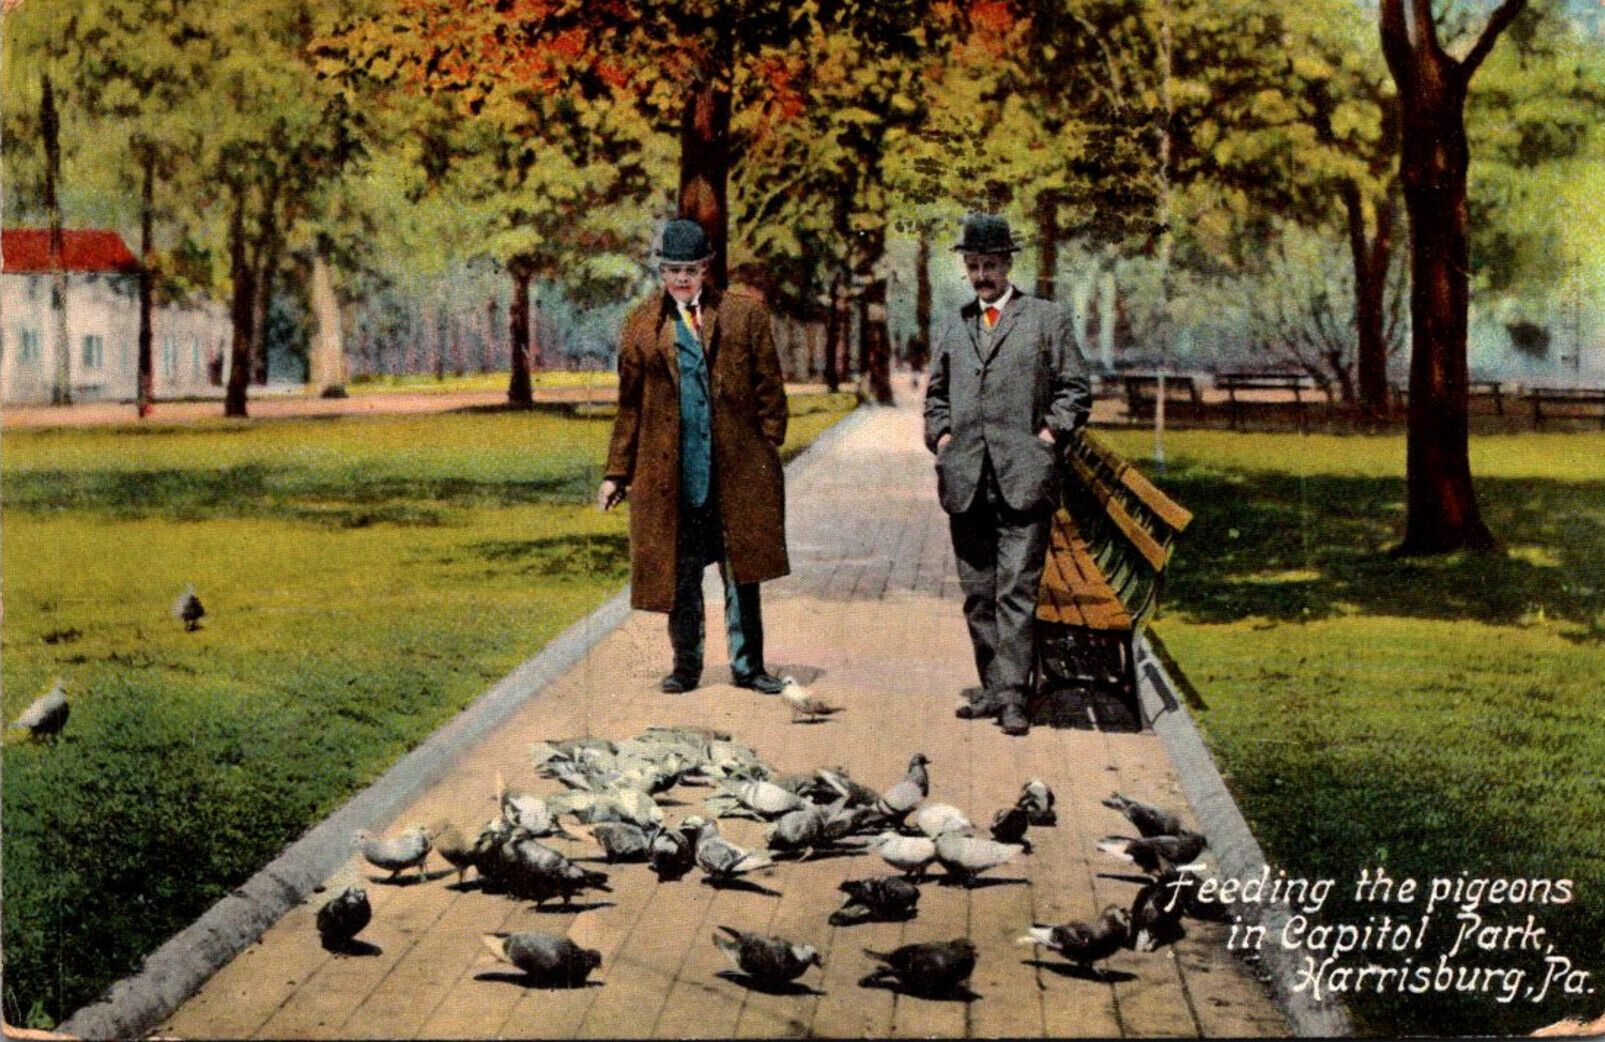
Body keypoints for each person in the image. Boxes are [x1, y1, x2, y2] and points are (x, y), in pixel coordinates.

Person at [598, 218, 790, 695]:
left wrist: (765, 446)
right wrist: (617, 472)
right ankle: (685, 667)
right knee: (679, 574)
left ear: (706, 269)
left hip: (735, 472)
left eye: (691, 269)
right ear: (662, 271)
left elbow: (770, 387)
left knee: (742, 571)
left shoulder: (744, 316)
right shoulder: (642, 324)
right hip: (672, 475)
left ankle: (749, 667)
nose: (682, 278)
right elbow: (629, 406)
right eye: (673, 270)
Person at [923, 213, 1092, 736]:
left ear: (1007, 264)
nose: (981, 276)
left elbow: (1075, 390)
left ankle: (1016, 697)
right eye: (973, 266)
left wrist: (1048, 436)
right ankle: (994, 688)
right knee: (979, 592)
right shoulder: (956, 324)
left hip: (1024, 477)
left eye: (990, 265)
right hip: (966, 478)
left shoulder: (1046, 319)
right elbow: (935, 395)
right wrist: (942, 438)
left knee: (1016, 590)